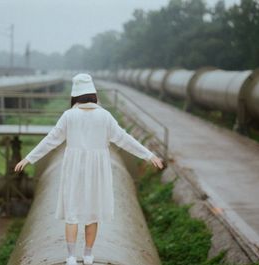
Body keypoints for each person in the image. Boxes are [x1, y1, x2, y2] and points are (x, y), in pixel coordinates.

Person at [14, 73, 164, 265]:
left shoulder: (69, 116)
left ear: (75, 95)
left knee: (72, 214)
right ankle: (88, 256)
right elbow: (125, 139)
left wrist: (29, 158)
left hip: (74, 170)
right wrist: (148, 155)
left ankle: (70, 258)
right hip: (97, 171)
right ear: (93, 94)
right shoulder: (105, 116)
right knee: (92, 215)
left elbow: (51, 140)